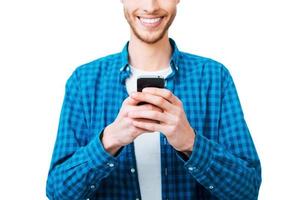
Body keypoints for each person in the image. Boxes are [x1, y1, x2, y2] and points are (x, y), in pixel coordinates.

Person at [46, 0, 261, 199]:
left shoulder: (214, 77)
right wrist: (109, 141)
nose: (150, 6)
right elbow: (57, 192)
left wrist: (190, 143)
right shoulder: (84, 81)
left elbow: (248, 190)